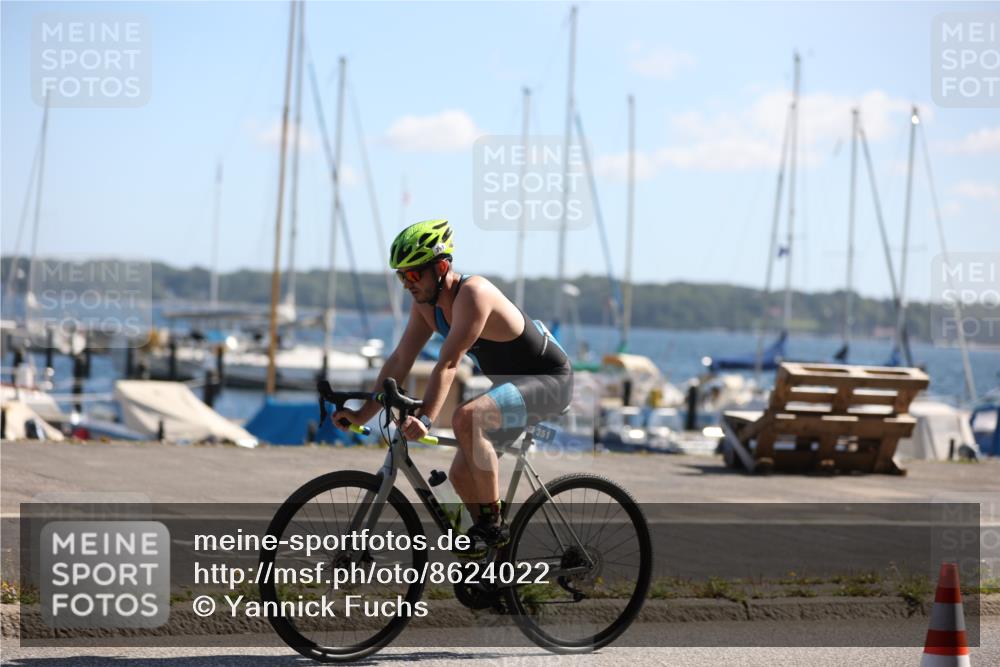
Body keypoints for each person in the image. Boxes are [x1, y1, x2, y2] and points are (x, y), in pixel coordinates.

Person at [333, 219, 573, 552]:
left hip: (549, 382)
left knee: (467, 417)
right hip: (511, 389)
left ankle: (494, 526)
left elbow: (448, 363)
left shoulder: (474, 294)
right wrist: (362, 414)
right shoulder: (426, 308)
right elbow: (400, 360)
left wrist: (427, 418)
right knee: (461, 477)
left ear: (442, 266)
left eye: (414, 275)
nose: (407, 285)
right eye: (401, 277)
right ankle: (492, 564)